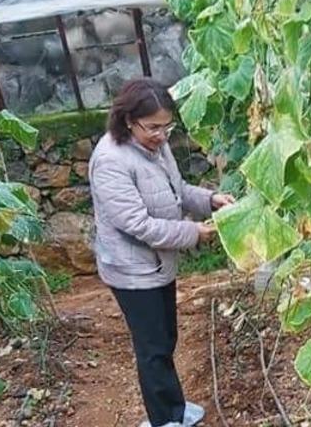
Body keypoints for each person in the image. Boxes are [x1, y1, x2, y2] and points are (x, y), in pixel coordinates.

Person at [88, 78, 234, 427]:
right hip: (132, 271)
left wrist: (210, 200)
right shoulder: (110, 161)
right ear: (127, 120)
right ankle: (164, 419)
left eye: (167, 126)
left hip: (156, 265)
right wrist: (194, 232)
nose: (161, 134)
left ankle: (174, 408)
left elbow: (176, 190)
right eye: (152, 127)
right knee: (152, 348)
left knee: (166, 337)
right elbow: (138, 224)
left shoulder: (156, 146)